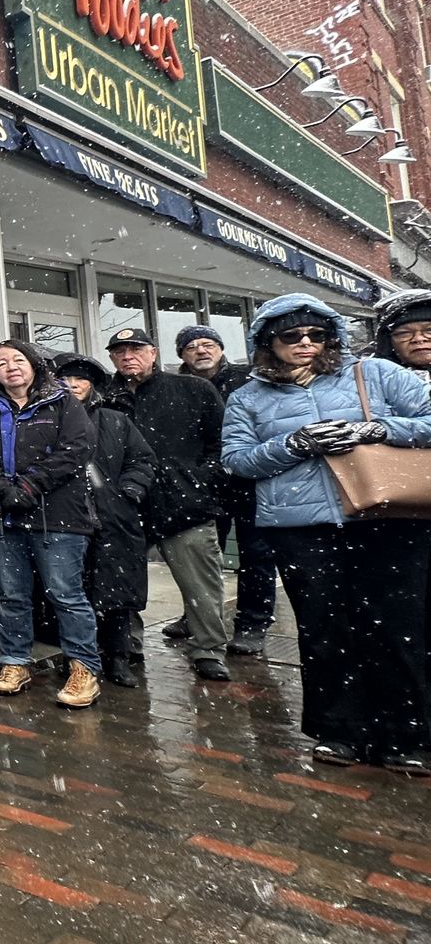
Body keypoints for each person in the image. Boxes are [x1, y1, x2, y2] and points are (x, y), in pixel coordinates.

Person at [221, 293, 431, 776]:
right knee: (324, 630)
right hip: (302, 529)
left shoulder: (377, 374)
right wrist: (294, 444)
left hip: (387, 520)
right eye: (291, 336)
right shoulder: (248, 396)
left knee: (397, 629)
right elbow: (236, 460)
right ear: (267, 343)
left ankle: (408, 735)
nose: (305, 343)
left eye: (316, 334)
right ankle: (339, 731)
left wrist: (375, 430)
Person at [0, 341, 102, 708]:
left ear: (33, 365)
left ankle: (83, 666)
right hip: (3, 518)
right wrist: (1, 488)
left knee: (66, 595)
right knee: (12, 595)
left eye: (18, 360)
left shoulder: (62, 403)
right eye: (1, 363)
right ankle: (15, 661)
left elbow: (76, 449)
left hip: (58, 518)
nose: (11, 367)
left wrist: (29, 485)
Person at [105, 326, 232, 681]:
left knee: (200, 586)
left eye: (136, 349)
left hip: (184, 505)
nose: (128, 356)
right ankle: (127, 645)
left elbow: (221, 444)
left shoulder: (193, 389)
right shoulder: (105, 397)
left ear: (154, 353)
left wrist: (202, 481)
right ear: (112, 358)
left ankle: (208, 649)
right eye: (120, 351)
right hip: (126, 506)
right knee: (123, 583)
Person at [55, 354, 157, 689]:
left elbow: (142, 459)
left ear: (92, 385)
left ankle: (117, 657)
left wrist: (128, 490)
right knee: (72, 591)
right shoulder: (49, 419)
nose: (73, 385)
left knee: (116, 593)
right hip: (68, 518)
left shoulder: (115, 420)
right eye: (66, 379)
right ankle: (79, 658)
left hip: (114, 518)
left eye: (81, 379)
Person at [173, 324, 276, 657]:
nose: (201, 351)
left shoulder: (249, 380)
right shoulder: (178, 387)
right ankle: (198, 617)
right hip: (204, 485)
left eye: (208, 344)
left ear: (219, 348)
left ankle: (252, 623)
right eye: (192, 347)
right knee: (199, 558)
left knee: (256, 555)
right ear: (182, 356)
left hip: (248, 479)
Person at [374, 288, 431, 384]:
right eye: (404, 333)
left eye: (429, 330)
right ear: (388, 343)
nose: (418, 339)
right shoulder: (370, 383)